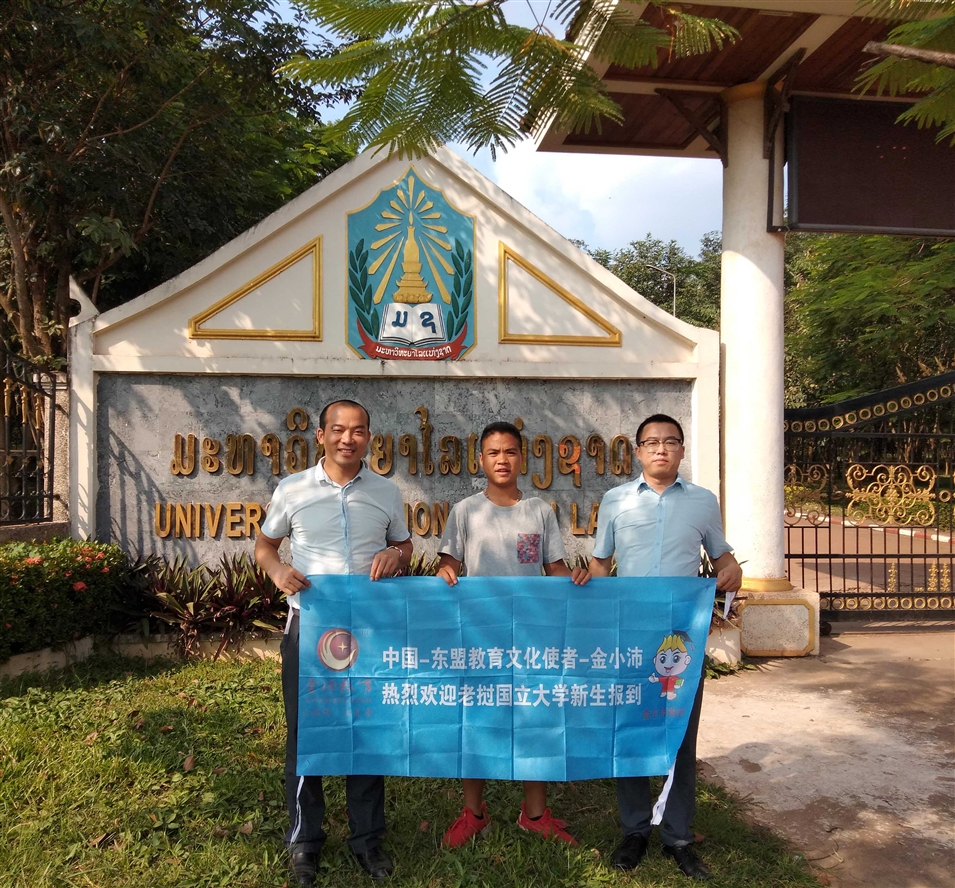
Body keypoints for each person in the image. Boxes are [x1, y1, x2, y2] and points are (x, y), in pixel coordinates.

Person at [255, 400, 413, 885]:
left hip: (369, 629)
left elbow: (405, 545)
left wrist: (395, 555)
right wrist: (278, 570)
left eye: (358, 430)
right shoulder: (293, 489)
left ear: (369, 438)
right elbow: (265, 545)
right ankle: (305, 841)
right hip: (311, 628)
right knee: (307, 733)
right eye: (339, 430)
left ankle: (367, 839)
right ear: (321, 436)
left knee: (366, 730)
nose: (349, 438)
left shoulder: (386, 492)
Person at [589, 413, 742, 882]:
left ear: (681, 450)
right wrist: (594, 613)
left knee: (680, 732)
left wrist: (731, 572)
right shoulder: (615, 500)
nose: (661, 449)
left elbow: (723, 558)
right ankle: (634, 830)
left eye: (670, 441)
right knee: (630, 729)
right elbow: (600, 565)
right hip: (630, 636)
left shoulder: (702, 502)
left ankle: (678, 835)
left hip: (679, 639)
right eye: (651, 442)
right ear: (637, 451)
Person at [436, 420, 591, 848]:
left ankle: (534, 814)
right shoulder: (465, 511)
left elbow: (554, 569)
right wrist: (445, 572)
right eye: (493, 453)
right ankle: (474, 813)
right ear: (480, 460)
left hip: (531, 637)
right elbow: (448, 563)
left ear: (522, 458)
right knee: (476, 719)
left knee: (534, 717)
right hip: (479, 635)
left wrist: (574, 579)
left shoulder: (539, 510)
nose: (501, 460)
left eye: (509, 452)